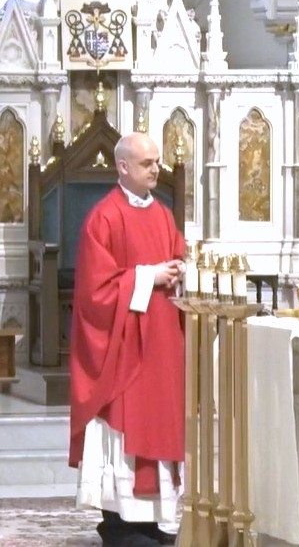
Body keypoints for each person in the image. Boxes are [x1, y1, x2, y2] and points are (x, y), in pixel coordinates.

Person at [68, 132, 185, 546]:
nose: (156, 169)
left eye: (157, 162)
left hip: (161, 346)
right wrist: (147, 276)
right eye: (147, 163)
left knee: (161, 423)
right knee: (126, 430)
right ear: (122, 167)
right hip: (123, 355)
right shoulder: (104, 218)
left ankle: (157, 520)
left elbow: (178, 257)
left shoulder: (164, 215)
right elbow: (95, 295)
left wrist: (181, 271)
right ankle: (121, 522)